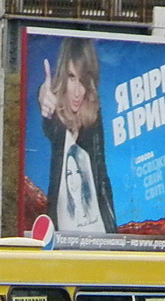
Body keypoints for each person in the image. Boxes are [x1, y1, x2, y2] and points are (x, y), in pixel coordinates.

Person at [38, 38, 116, 234]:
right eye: (72, 77)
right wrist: (42, 96)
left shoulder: (93, 117)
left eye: (83, 81)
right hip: (61, 236)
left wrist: (113, 235)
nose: (77, 92)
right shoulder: (55, 116)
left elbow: (102, 177)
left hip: (96, 235)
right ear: (63, 76)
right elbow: (50, 125)